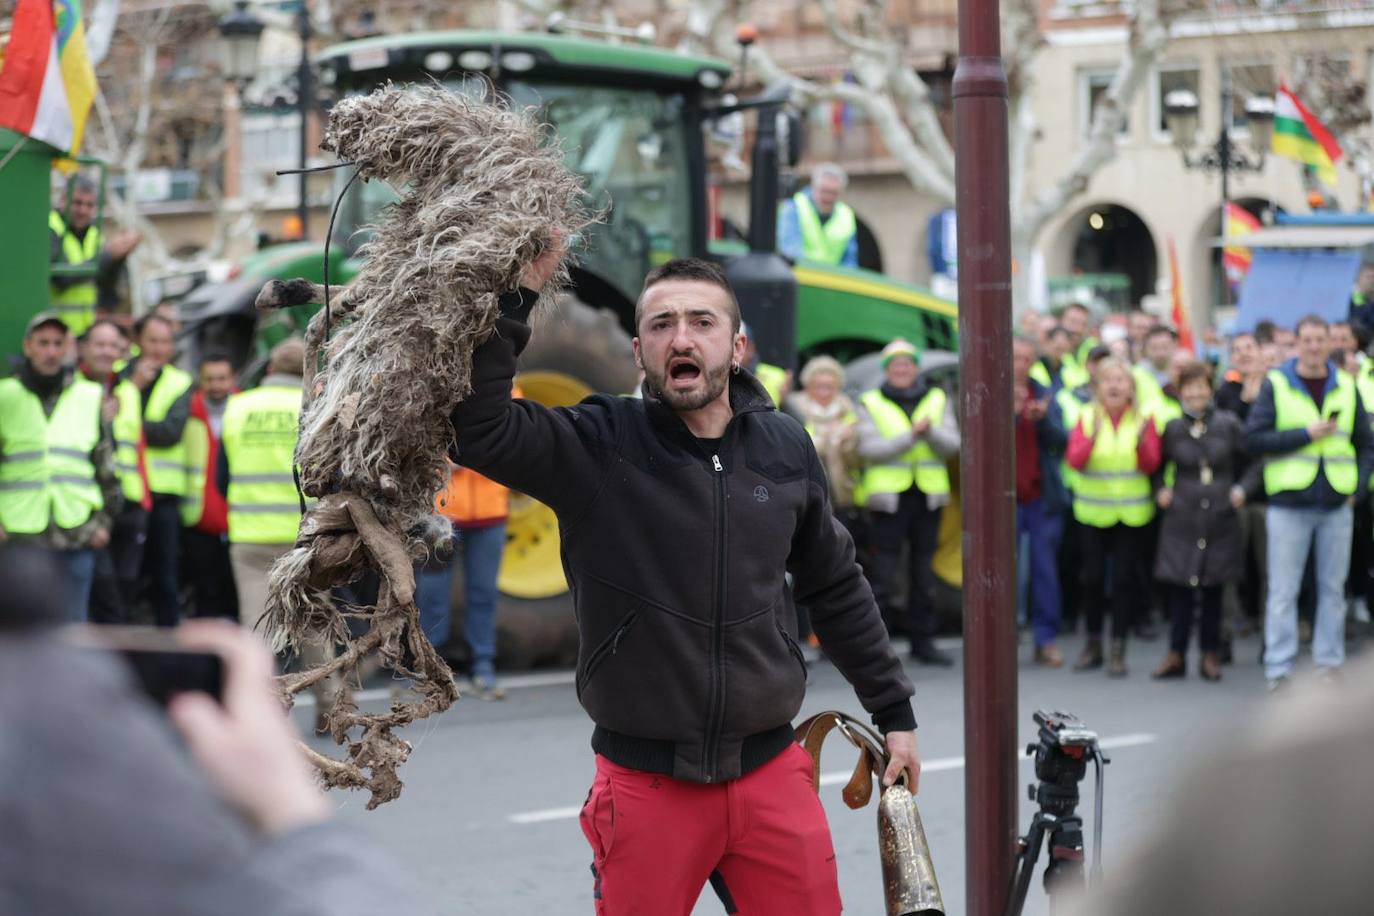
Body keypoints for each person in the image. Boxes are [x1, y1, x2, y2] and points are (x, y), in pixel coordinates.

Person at [450, 255, 919, 914]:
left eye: (703, 321)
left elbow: (835, 584)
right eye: (663, 324)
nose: (683, 337)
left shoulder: (785, 446)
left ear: (738, 345)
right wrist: (517, 296)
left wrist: (894, 714)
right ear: (640, 351)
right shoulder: (598, 442)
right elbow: (478, 431)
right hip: (647, 785)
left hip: (772, 774)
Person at [0, 547, 433, 916]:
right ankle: (305, 705)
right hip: (284, 539)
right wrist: (289, 807)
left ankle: (320, 705)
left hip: (281, 543)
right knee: (277, 639)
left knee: (288, 634)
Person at [1244, 314, 1374, 689]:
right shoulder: (1278, 384)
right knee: (1283, 591)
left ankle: (1327, 663)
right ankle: (1279, 669)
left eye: (1322, 340)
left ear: (1330, 344)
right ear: (1297, 343)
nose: (1315, 346)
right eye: (1309, 340)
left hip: (1336, 503)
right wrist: (1305, 434)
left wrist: (1358, 489)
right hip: (1289, 503)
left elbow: (1365, 445)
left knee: (1333, 590)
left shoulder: (1347, 387)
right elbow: (1254, 440)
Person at [219, 339, 334, 714]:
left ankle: (259, 713)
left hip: (250, 536)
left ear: (269, 370)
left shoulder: (238, 407)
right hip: (305, 538)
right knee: (316, 622)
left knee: (257, 631)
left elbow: (221, 475)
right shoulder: (316, 409)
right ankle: (331, 707)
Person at [0, 313, 119, 621]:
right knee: (19, 631)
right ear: (28, 347)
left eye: (57, 343)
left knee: (72, 628)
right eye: (43, 343)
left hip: (77, 532)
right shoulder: (5, 396)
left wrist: (102, 524)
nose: (50, 351)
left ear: (68, 348)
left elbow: (106, 466)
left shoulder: (89, 396)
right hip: (19, 534)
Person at [1151, 361, 1259, 681]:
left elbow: (1254, 461)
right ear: (1181, 391)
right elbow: (1155, 467)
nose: (1196, 393)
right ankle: (1176, 653)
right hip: (1183, 515)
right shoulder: (1172, 428)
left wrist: (1242, 489)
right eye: (1190, 387)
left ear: (1210, 388)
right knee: (1181, 588)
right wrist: (1160, 490)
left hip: (1220, 514)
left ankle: (1210, 654)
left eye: (1202, 386)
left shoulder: (1228, 423)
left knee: (1213, 587)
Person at [857, 338, 960, 666]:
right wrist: (912, 435)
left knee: (923, 572)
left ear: (915, 368)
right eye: (896, 365)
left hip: (928, 495)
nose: (902, 369)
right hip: (888, 498)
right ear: (888, 370)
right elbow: (868, 449)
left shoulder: (937, 397)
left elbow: (953, 445)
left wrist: (929, 433)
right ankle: (879, 647)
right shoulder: (870, 401)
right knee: (884, 574)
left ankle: (923, 642)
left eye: (908, 364)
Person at [1066, 357, 1162, 676]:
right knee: (1092, 579)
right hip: (1093, 512)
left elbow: (1151, 465)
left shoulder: (1144, 419)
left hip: (1131, 514)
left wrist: (1141, 444)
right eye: (1108, 380)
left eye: (1121, 380)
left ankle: (1118, 648)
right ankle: (1093, 644)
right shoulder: (1086, 416)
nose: (1115, 385)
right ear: (1098, 387)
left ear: (1131, 389)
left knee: (1123, 581)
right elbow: (1074, 461)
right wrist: (1091, 438)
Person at [418, 443, 516, 700]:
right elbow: (415, 435)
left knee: (484, 592)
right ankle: (431, 669)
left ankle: (482, 666)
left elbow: (514, 438)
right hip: (438, 513)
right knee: (432, 593)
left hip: (490, 512)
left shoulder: (508, 398)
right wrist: (447, 461)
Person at [121, 313, 193, 626]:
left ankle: (170, 638)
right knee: (125, 573)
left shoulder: (180, 381)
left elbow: (169, 432)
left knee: (165, 573)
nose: (159, 348)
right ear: (138, 341)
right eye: (153, 340)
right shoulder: (119, 376)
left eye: (165, 342)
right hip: (127, 490)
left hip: (163, 494)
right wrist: (133, 388)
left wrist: (130, 423)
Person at [79, 319, 150, 624]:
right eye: (100, 344)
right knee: (103, 595)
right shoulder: (74, 390)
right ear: (83, 348)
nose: (108, 352)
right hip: (92, 508)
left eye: (114, 346)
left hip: (130, 503)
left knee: (126, 590)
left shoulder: (128, 392)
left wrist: (144, 498)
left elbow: (137, 446)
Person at [1013, 336, 1068, 666]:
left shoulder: (1045, 394)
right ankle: (1005, 639)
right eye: (1015, 357)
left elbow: (1064, 441)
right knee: (1005, 574)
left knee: (1045, 571)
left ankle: (1045, 639)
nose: (1020, 364)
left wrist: (1041, 419)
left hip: (1040, 497)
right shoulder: (989, 390)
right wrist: (1012, 415)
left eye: (1026, 358)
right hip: (1004, 501)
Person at [1055, 344, 1112, 635]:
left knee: (1109, 570)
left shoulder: (1126, 403)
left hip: (1114, 495)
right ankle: (1073, 616)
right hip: (1073, 489)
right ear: (1087, 366)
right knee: (1073, 560)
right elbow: (1066, 441)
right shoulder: (1070, 397)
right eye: (1095, 362)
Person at [1214, 332, 1268, 629]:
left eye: (1250, 347)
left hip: (1269, 493)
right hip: (1232, 489)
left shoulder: (1275, 390)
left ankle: (1266, 623)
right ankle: (1230, 628)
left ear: (1261, 352)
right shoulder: (1225, 393)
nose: (1244, 353)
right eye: (1237, 349)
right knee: (1232, 564)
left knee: (1268, 568)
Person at [182, 353, 240, 620]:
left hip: (239, 520)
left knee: (237, 597)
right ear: (200, 381)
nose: (216, 385)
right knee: (206, 597)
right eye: (210, 379)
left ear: (233, 379)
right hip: (199, 520)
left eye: (222, 379)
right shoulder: (187, 412)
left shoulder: (246, 410)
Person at [48, 177, 141, 334]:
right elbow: (61, 279)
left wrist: (119, 257)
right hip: (56, 330)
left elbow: (106, 284)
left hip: (88, 329)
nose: (83, 210)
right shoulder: (51, 227)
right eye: (77, 203)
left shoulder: (95, 234)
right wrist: (109, 255)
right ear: (63, 200)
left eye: (89, 205)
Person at [776, 162, 859, 267]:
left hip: (833, 280)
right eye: (824, 191)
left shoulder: (846, 216)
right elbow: (791, 252)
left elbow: (850, 262)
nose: (828, 197)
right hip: (802, 276)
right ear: (813, 187)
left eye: (833, 193)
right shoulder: (794, 207)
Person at [1133, 325, 1178, 420]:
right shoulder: (1135, 375)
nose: (1160, 353)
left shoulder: (1183, 371)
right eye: (1155, 348)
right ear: (1146, 349)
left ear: (1174, 345)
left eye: (1165, 347)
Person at [1029, 325, 1087, 395]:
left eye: (1063, 349)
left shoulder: (1073, 369)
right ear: (1047, 343)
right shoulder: (1033, 368)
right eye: (1057, 347)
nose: (1059, 353)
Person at [1349, 261, 1374, 333]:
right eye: (1369, 277)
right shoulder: (1354, 297)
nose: (1372, 281)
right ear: (1359, 278)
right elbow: (1359, 316)